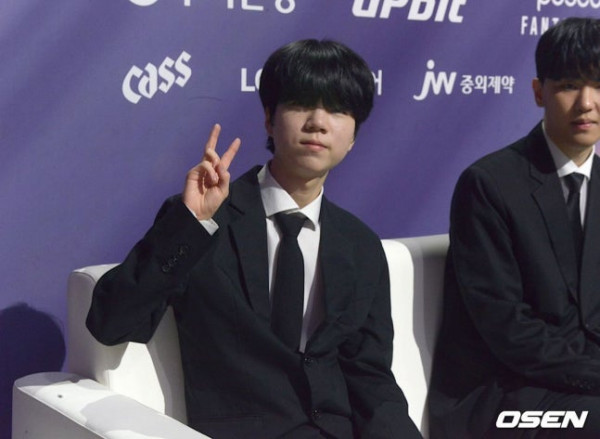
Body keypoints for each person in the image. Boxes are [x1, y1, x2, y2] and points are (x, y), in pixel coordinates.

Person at [86, 39, 421, 439]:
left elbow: (370, 376)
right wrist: (192, 224)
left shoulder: (360, 244)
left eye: (337, 109)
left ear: (353, 136)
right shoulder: (207, 220)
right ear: (268, 118)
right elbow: (110, 323)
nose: (318, 122)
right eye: (301, 104)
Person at [429, 17, 600, 438]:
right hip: (507, 392)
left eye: (598, 85)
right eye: (569, 85)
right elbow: (508, 329)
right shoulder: (489, 184)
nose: (586, 103)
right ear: (539, 92)